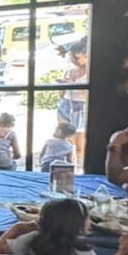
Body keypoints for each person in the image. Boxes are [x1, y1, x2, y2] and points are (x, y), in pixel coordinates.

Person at [56, 34, 88, 163]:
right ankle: (70, 169)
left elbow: (89, 93)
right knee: (66, 142)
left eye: (77, 58)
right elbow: (62, 93)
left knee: (80, 145)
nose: (74, 60)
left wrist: (73, 84)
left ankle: (85, 168)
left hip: (80, 107)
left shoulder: (90, 72)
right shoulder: (70, 71)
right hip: (65, 104)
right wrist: (61, 86)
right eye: (72, 57)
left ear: (86, 56)